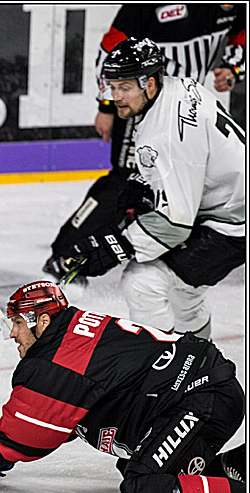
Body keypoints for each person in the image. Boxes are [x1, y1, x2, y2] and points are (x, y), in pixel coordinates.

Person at [0, 281, 245, 493]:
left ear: (41, 322)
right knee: (143, 467)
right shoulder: (74, 332)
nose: (12, 333)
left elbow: (28, 433)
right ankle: (236, 466)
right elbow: (59, 420)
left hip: (201, 398)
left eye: (18, 324)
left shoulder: (57, 361)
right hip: (205, 390)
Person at [43, 4, 245, 287]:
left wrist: (234, 66)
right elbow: (110, 48)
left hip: (183, 106)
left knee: (164, 184)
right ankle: (64, 255)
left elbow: (242, 32)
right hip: (141, 102)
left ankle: (138, 244)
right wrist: (107, 104)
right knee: (126, 180)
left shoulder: (231, 5)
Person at [61, 37, 246, 340]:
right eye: (112, 86)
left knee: (141, 282)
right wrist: (144, 184)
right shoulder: (179, 87)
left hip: (232, 224)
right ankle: (198, 365)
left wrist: (114, 247)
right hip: (230, 202)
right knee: (184, 293)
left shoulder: (164, 134)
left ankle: (163, 376)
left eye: (125, 87)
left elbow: (175, 223)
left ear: (148, 83)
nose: (116, 96)